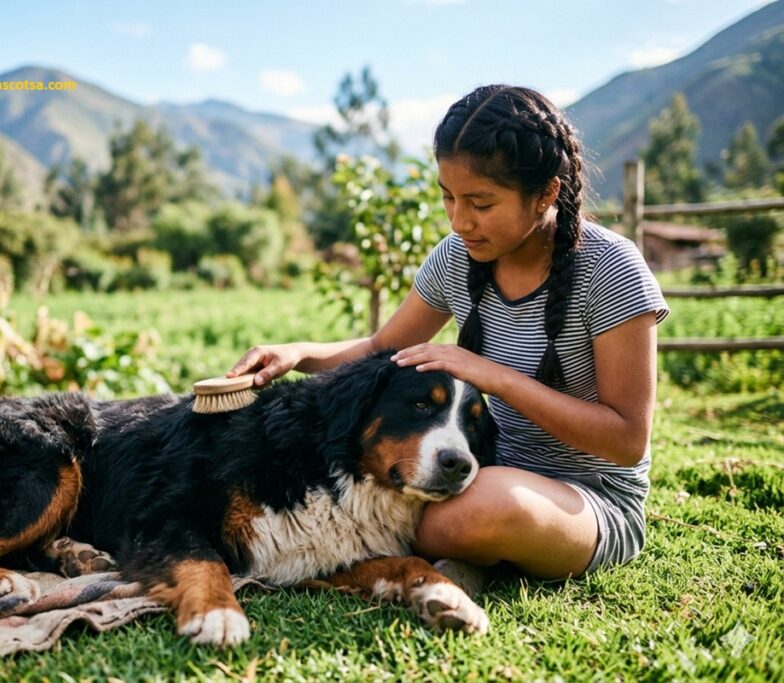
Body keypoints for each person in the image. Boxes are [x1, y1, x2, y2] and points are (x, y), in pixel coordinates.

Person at [226, 84, 669, 580]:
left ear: (546, 193)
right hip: (463, 466)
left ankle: (477, 553)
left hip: (582, 499)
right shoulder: (457, 257)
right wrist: (298, 353)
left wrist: (492, 374)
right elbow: (381, 349)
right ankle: (466, 557)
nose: (460, 221)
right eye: (448, 198)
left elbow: (627, 440)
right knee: (348, 485)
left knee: (478, 514)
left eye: (481, 202)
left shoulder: (611, 269)